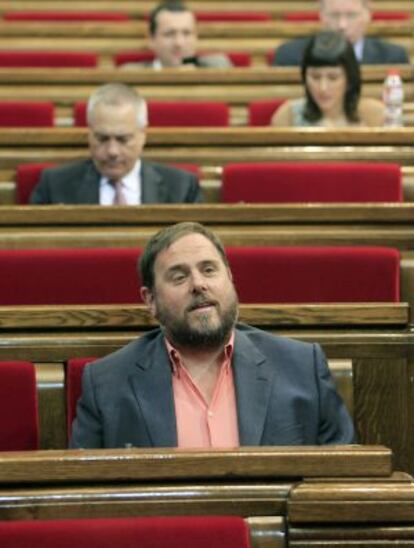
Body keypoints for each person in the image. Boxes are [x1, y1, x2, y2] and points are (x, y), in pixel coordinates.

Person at [70, 221, 355, 449]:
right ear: (150, 300)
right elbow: (85, 498)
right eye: (179, 277)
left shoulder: (302, 367)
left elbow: (344, 480)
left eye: (209, 270)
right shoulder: (107, 384)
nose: (198, 284)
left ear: (230, 279)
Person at [30, 83, 202, 205]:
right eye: (102, 138)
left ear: (143, 135)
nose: (112, 151)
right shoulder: (54, 186)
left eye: (123, 139)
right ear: (89, 134)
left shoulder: (182, 187)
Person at [271, 31, 385, 127]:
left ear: (350, 78)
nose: (323, 88)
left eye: (333, 78)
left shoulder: (375, 115)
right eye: (315, 77)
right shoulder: (288, 117)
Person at [272, 0, 409, 66]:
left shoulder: (393, 56)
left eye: (351, 16)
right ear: (322, 16)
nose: (342, 25)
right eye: (334, 15)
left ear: (368, 15)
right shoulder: (291, 55)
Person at [123, 1, 232, 69]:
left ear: (196, 37)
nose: (179, 43)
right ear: (151, 39)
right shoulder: (132, 75)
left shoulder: (218, 67)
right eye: (169, 34)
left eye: (187, 33)